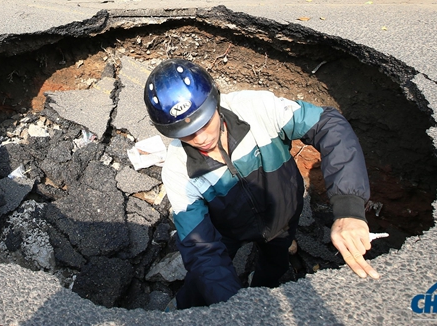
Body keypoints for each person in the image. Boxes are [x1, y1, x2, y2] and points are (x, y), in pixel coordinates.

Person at [143, 59, 379, 310]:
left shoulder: (256, 109)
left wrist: (349, 209)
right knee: (205, 278)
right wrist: (236, 310)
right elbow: (202, 251)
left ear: (216, 101)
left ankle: (263, 292)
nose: (201, 138)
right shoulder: (178, 170)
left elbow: (328, 124)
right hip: (227, 231)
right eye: (185, 132)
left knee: (274, 266)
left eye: (204, 122)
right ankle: (184, 307)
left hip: (283, 218)